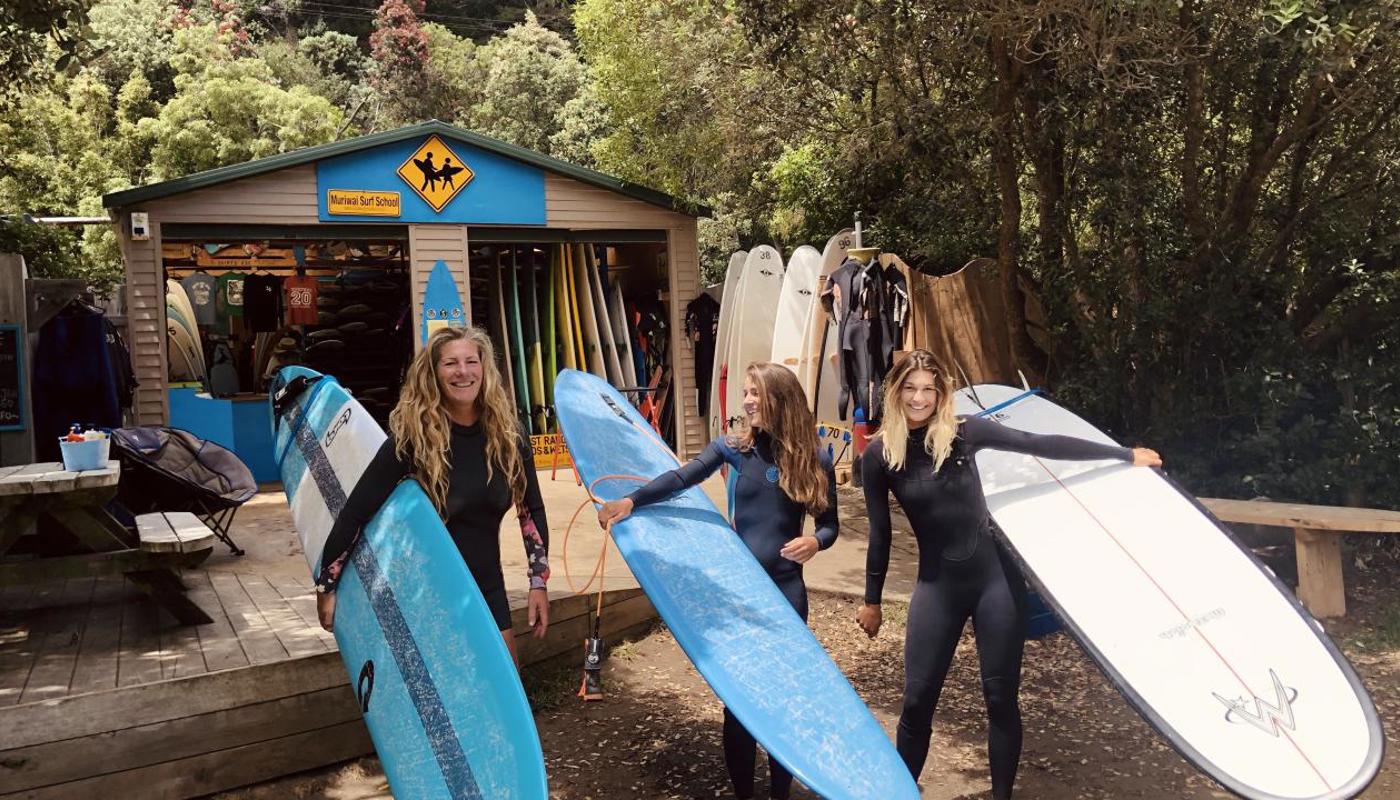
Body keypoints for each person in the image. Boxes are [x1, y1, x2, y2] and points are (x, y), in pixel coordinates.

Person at [857, 349, 1161, 799]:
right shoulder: (880, 455)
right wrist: (872, 600)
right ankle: (900, 792)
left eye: (929, 389)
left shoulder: (964, 434)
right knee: (917, 701)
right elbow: (880, 535)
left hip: (993, 584)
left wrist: (1123, 454)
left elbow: (1038, 443)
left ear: (941, 393)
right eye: (910, 388)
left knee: (999, 698)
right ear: (896, 391)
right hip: (936, 588)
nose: (919, 398)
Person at [597, 362, 838, 800]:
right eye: (745, 392)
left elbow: (830, 525)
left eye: (755, 393)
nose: (746, 401)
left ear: (780, 400)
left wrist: (815, 543)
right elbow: (681, 478)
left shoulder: (815, 458)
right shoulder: (734, 448)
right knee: (740, 703)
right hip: (739, 594)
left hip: (786, 592)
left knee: (783, 700)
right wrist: (631, 501)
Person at [314, 326, 551, 662]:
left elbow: (531, 511)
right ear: (434, 374)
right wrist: (327, 586)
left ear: (484, 369)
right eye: (450, 363)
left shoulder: (508, 436)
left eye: (471, 361)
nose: (463, 372)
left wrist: (538, 582)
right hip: (425, 591)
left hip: (486, 586)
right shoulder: (414, 440)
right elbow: (357, 511)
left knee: (502, 681)